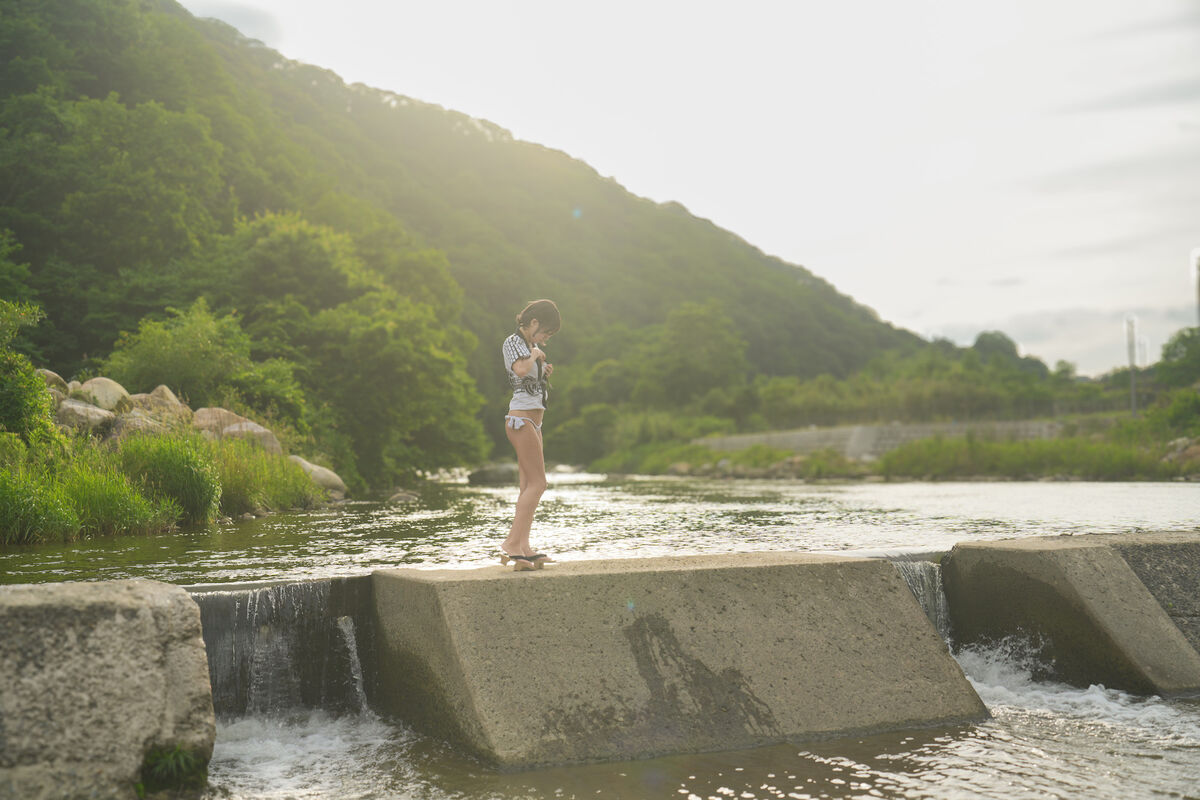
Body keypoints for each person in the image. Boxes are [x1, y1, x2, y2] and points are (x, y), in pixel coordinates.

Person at [500, 299, 561, 571]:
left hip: (534, 421)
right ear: (533, 322)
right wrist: (535, 356)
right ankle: (512, 544)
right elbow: (521, 370)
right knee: (539, 483)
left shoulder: (528, 348)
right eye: (545, 333)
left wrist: (544, 372)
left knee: (528, 486)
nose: (544, 340)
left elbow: (531, 380)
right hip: (520, 420)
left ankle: (523, 547)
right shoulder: (514, 343)